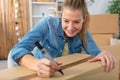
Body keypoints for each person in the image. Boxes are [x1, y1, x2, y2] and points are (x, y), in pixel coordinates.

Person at [9, 0, 116, 78]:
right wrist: (36, 64)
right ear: (61, 15)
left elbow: (96, 54)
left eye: (76, 22)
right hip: (43, 75)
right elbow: (17, 49)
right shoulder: (47, 24)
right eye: (66, 21)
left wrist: (102, 55)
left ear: (84, 18)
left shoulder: (83, 31)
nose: (70, 28)